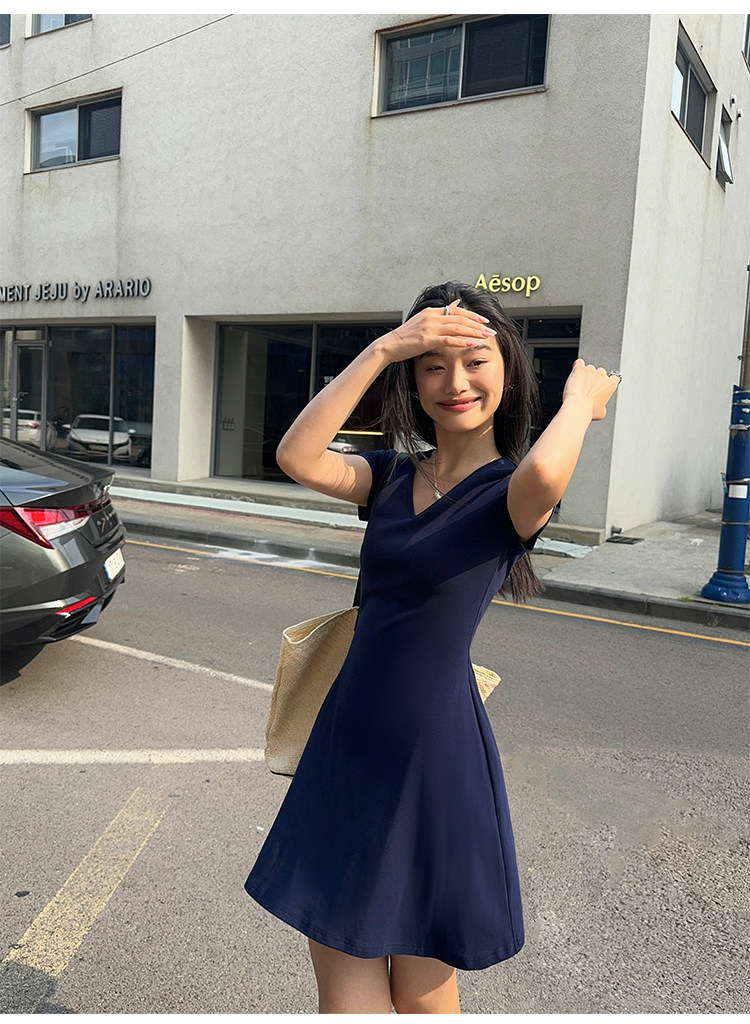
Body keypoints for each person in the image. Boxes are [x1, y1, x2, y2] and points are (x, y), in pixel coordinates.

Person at [244, 282, 621, 1013]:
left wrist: (580, 403)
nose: (455, 382)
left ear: (507, 372)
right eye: (433, 366)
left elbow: (547, 471)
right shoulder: (388, 476)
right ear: (413, 382)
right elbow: (296, 453)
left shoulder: (510, 494)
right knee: (344, 982)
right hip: (347, 744)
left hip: (434, 759)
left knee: (421, 991)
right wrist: (386, 347)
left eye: (476, 362)